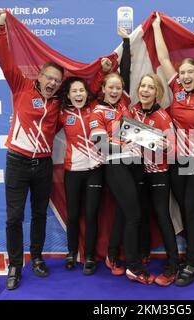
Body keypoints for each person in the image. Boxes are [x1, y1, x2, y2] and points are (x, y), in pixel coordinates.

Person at [0, 10, 64, 290]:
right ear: (40, 76)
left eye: (57, 81)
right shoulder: (21, 86)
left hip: (43, 165)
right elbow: (4, 59)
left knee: (38, 214)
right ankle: (14, 265)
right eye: (49, 78)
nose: (52, 83)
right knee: (14, 216)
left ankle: (36, 258)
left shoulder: (59, 104)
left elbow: (86, 92)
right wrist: (0, 29)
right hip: (17, 161)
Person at [152, 13, 194, 286]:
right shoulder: (176, 87)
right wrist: (156, 27)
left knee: (190, 208)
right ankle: (190, 254)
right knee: (182, 206)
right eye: (184, 72)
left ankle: (190, 264)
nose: (186, 76)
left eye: (191, 72)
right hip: (176, 159)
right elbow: (164, 59)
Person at [89, 28, 155, 285]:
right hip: (116, 166)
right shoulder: (98, 111)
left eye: (119, 87)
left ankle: (112, 256)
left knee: (124, 213)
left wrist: (127, 41)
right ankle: (133, 266)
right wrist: (129, 140)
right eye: (111, 87)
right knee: (133, 215)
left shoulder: (125, 105)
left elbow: (125, 68)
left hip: (136, 165)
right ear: (103, 89)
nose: (116, 91)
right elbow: (100, 146)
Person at [130, 74, 181, 286]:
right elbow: (122, 134)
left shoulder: (163, 116)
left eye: (150, 87)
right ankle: (143, 252)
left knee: (161, 215)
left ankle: (173, 265)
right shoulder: (132, 110)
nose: (145, 90)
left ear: (157, 92)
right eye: (143, 86)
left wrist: (167, 146)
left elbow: (173, 151)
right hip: (137, 172)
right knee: (140, 213)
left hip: (159, 172)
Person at [58, 76, 105, 275]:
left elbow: (98, 83)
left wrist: (102, 71)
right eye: (74, 91)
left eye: (82, 90)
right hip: (73, 172)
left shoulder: (95, 109)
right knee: (74, 214)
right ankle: (72, 252)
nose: (79, 94)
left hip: (95, 170)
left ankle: (90, 256)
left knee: (92, 214)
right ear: (68, 95)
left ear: (87, 93)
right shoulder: (62, 114)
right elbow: (45, 127)